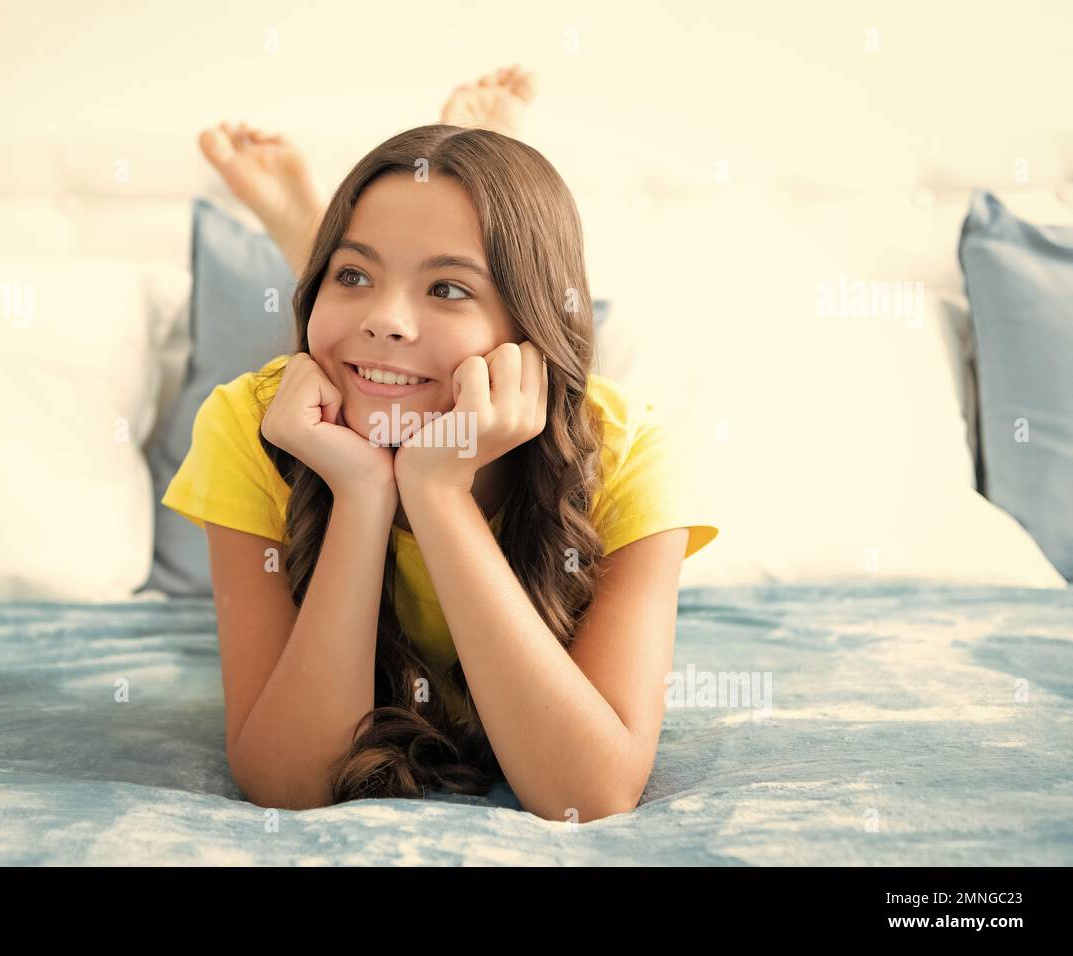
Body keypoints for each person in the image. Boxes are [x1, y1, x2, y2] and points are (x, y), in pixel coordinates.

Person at [162, 65, 719, 823]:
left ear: (523, 335)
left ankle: (397, 234)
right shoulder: (253, 424)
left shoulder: (628, 449)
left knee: (396, 343)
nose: (386, 316)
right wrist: (360, 493)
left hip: (501, 387)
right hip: (390, 391)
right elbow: (289, 788)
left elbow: (587, 798)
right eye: (349, 272)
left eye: (450, 287)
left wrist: (437, 493)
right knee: (387, 347)